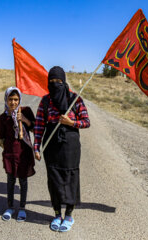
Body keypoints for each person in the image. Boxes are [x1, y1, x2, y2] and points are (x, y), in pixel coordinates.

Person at [34, 66, 90, 232]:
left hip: (70, 145)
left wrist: (72, 123)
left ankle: (69, 215)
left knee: (70, 178)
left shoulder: (75, 99)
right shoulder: (45, 101)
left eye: (58, 81)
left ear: (64, 81)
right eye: (51, 81)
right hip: (51, 145)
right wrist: (37, 147)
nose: (55, 84)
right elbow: (38, 127)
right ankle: (57, 214)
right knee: (54, 179)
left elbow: (86, 121)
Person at [0, 87, 36, 222]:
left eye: (16, 99)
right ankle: (10, 207)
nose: (13, 102)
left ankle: (22, 208)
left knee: (23, 181)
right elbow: (1, 138)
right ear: (6, 100)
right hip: (9, 154)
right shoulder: (2, 118)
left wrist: (25, 120)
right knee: (10, 180)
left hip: (23, 153)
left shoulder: (25, 111)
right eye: (10, 99)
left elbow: (35, 128)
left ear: (19, 99)